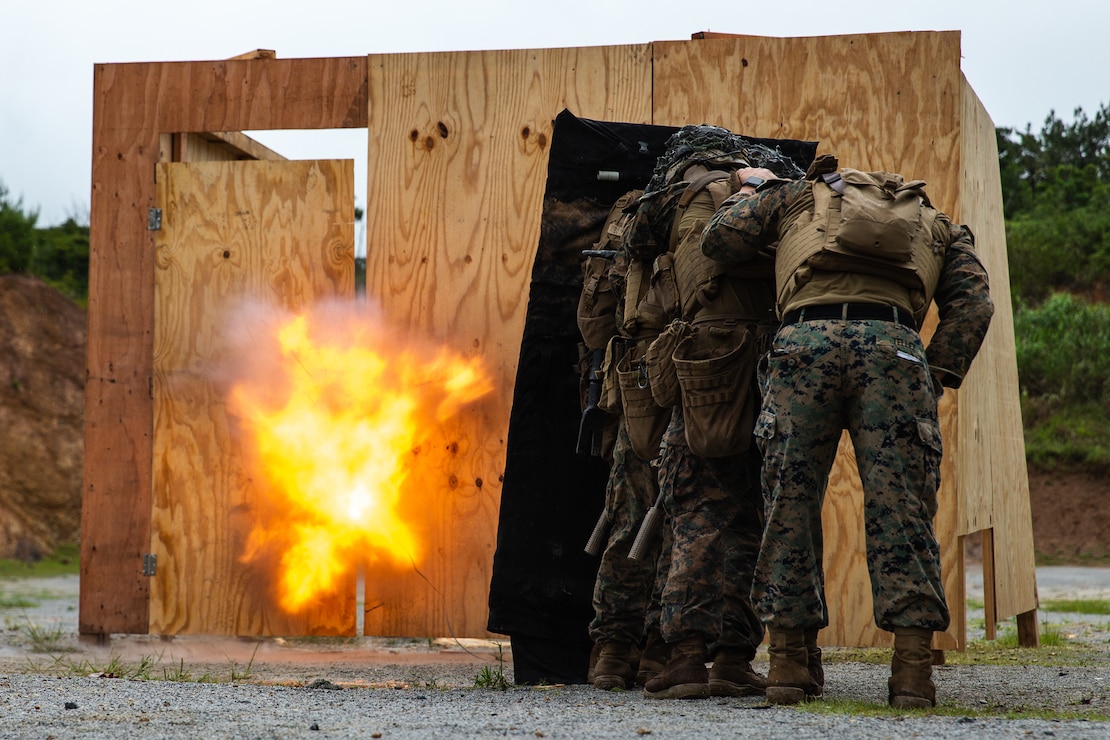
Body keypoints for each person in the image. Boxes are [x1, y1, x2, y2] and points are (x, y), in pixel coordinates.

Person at [700, 154, 995, 707]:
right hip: (894, 348)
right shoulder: (936, 223)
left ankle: (788, 668)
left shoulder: (792, 196)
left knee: (789, 501)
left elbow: (718, 243)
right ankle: (912, 675)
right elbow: (974, 302)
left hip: (802, 344)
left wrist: (748, 192)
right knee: (902, 510)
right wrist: (932, 375)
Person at [618, 125, 806, 700]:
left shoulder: (678, 192)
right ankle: (733, 658)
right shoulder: (781, 190)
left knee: (696, 507)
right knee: (755, 507)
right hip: (776, 354)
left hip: (707, 356)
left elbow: (635, 244)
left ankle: (685, 658)